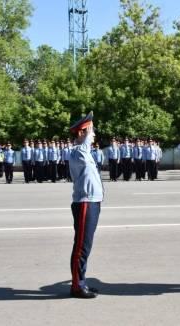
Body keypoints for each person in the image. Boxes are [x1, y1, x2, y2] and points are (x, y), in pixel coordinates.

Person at [68, 112, 103, 299]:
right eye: (91, 131)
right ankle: (77, 286)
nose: (94, 135)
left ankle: (80, 281)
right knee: (81, 246)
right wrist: (86, 131)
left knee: (86, 246)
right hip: (85, 203)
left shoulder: (85, 152)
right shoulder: (78, 152)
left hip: (93, 202)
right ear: (82, 133)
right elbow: (85, 143)